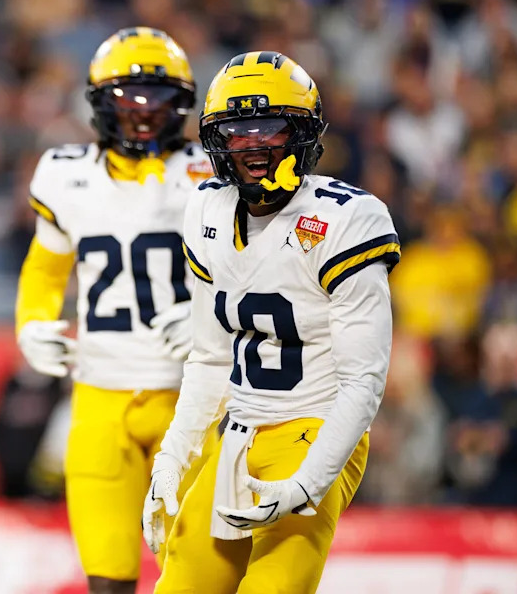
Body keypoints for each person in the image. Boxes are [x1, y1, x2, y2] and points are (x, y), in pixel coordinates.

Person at [142, 51, 400, 594]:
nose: (255, 146)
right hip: (235, 430)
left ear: (303, 133)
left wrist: (308, 483)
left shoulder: (346, 220)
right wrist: (172, 458)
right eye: (238, 133)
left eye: (271, 129)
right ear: (217, 142)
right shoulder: (207, 211)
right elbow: (210, 358)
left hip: (313, 429)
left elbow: (363, 382)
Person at [16, 26, 215, 594]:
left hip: (193, 394)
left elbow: (255, 272)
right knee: (106, 578)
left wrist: (211, 316)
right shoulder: (65, 174)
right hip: (99, 395)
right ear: (101, 105)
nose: (145, 113)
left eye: (158, 98)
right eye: (130, 98)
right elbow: (46, 268)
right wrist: (31, 322)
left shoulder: (213, 173)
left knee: (197, 575)